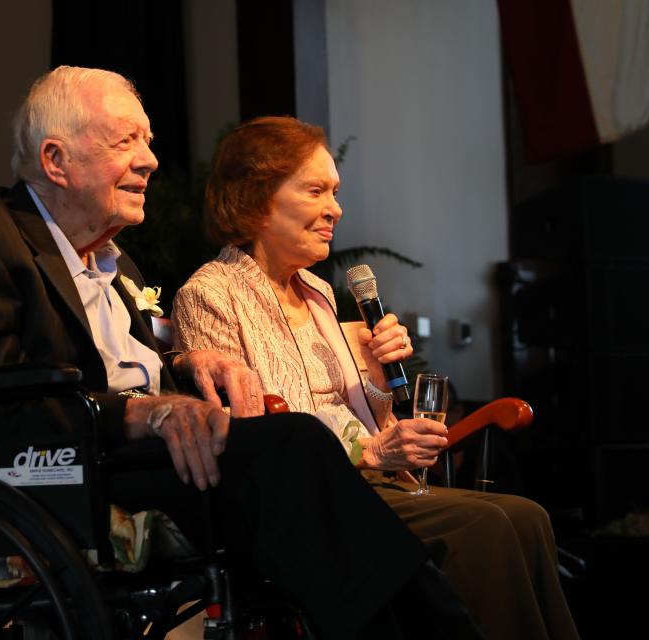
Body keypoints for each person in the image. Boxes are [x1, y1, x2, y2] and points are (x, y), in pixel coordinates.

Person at [0, 66, 481, 639]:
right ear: (56, 161)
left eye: (149, 142)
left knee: (301, 459)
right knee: (296, 444)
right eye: (125, 140)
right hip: (61, 479)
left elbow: (141, 372)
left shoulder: (118, 264)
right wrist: (137, 412)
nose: (151, 160)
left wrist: (186, 366)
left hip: (153, 467)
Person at [172, 116, 579, 640]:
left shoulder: (318, 292)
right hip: (310, 503)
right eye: (316, 190)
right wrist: (370, 452)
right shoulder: (210, 293)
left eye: (336, 192)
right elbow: (252, 438)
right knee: (490, 527)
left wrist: (377, 378)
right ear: (256, 198)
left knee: (527, 517)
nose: (335, 209)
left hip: (367, 480)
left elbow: (366, 423)